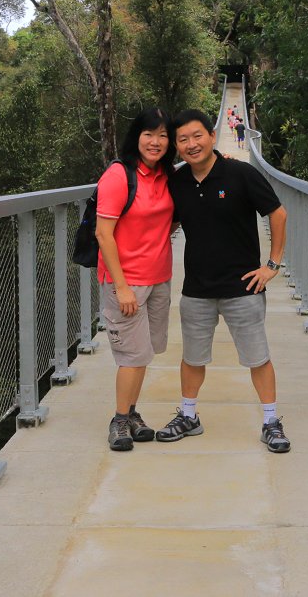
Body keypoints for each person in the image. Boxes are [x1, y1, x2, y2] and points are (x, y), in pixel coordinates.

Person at [155, 109, 292, 452]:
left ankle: (271, 421)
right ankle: (189, 416)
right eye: (183, 139)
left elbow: (278, 213)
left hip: (243, 286)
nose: (191, 144)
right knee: (192, 357)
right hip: (197, 288)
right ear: (176, 146)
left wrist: (272, 265)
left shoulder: (241, 173)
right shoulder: (176, 182)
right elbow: (166, 221)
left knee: (257, 357)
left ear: (213, 136)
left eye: (197, 136)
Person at [95, 106, 175, 451]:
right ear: (136, 137)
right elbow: (103, 234)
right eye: (148, 134)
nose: (155, 142)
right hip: (125, 282)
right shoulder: (118, 175)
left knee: (144, 352)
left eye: (162, 135)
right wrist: (122, 285)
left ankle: (131, 412)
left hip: (159, 277)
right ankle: (119, 420)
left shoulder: (166, 176)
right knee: (131, 356)